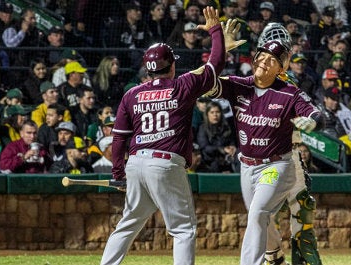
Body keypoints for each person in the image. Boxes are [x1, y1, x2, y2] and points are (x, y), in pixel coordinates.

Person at [100, 7, 225, 265]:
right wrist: (215, 31)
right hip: (166, 164)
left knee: (128, 224)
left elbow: (119, 139)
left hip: (136, 163)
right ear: (172, 65)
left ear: (148, 69)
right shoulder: (183, 85)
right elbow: (216, 65)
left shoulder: (131, 94)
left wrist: (118, 173)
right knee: (183, 229)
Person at [207, 34, 323, 265]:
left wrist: (312, 121)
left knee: (259, 213)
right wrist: (218, 51)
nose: (263, 62)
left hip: (276, 164)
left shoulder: (288, 91)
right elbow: (201, 83)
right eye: (261, 56)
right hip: (246, 165)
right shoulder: (238, 84)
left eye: (271, 60)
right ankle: (275, 257)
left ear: (281, 68)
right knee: (259, 217)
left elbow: (315, 113)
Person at [196, 100, 238, 173]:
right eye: (212, 112)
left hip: (227, 160)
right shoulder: (203, 128)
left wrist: (232, 147)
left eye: (217, 112)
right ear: (207, 114)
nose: (215, 115)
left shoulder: (226, 127)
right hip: (210, 163)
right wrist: (222, 149)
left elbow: (232, 142)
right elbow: (205, 148)